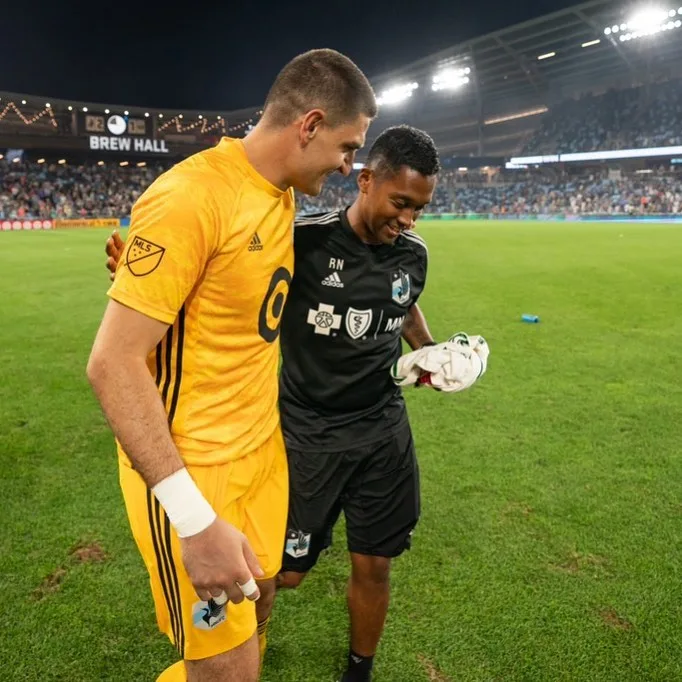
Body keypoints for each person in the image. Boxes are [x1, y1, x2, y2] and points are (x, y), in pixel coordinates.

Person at [105, 125, 489, 682]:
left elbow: (405, 305)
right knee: (281, 574)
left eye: (420, 209)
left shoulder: (414, 254)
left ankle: (360, 668)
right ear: (366, 182)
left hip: (382, 430)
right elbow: (232, 280)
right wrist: (152, 278)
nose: (409, 219)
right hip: (307, 435)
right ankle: (248, 644)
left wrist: (428, 353)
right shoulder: (302, 240)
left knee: (376, 561)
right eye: (401, 203)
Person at [87, 48, 377, 682]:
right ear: (310, 125)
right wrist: (193, 521)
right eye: (348, 147)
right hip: (195, 469)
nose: (349, 164)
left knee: (263, 599)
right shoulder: (191, 195)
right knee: (229, 669)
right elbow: (112, 363)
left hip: (260, 452)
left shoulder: (279, 192)